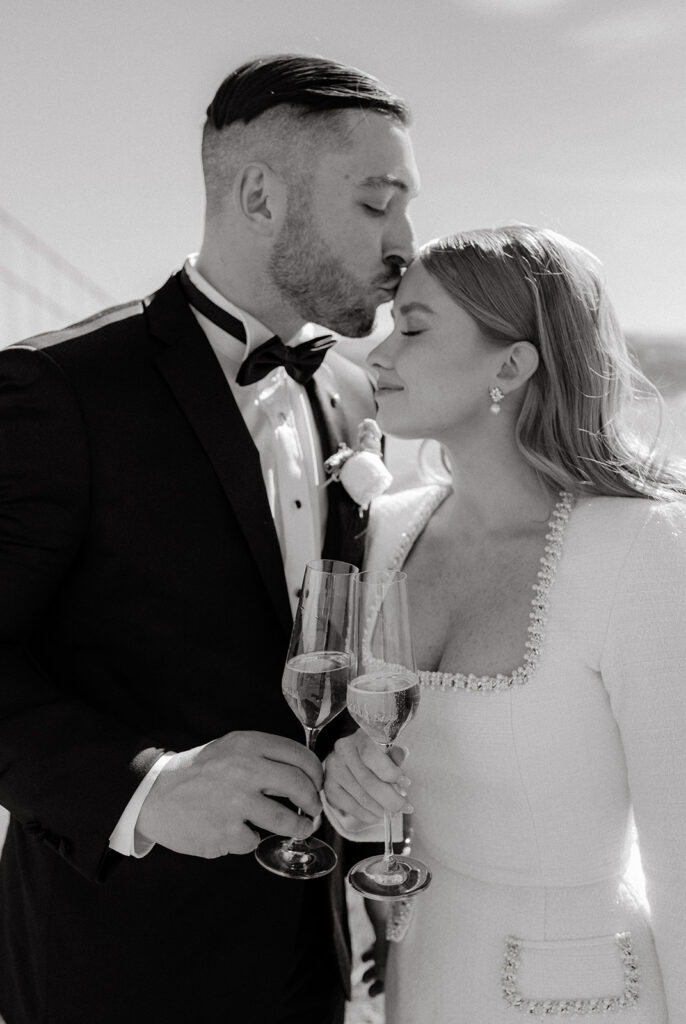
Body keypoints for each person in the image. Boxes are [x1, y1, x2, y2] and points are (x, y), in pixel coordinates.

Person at [0, 54, 419, 1024]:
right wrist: (146, 788)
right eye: (374, 202)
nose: (405, 240)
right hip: (111, 974)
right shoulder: (55, 392)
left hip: (308, 967)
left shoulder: (359, 395)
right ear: (259, 195)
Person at [323, 224, 686, 1022]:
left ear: (512, 365)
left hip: (587, 999)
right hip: (420, 980)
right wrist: (351, 792)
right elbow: (393, 801)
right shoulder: (389, 529)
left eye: (414, 328)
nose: (378, 356)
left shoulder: (640, 546)